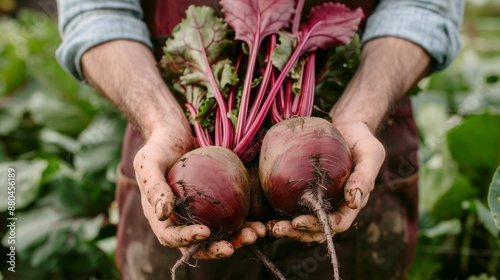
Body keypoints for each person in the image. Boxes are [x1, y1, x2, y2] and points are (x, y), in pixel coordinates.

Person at [55, 0, 463, 279]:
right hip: (176, 146)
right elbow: (96, 12)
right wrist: (159, 120)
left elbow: (422, 7)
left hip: (359, 149)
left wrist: (361, 113)